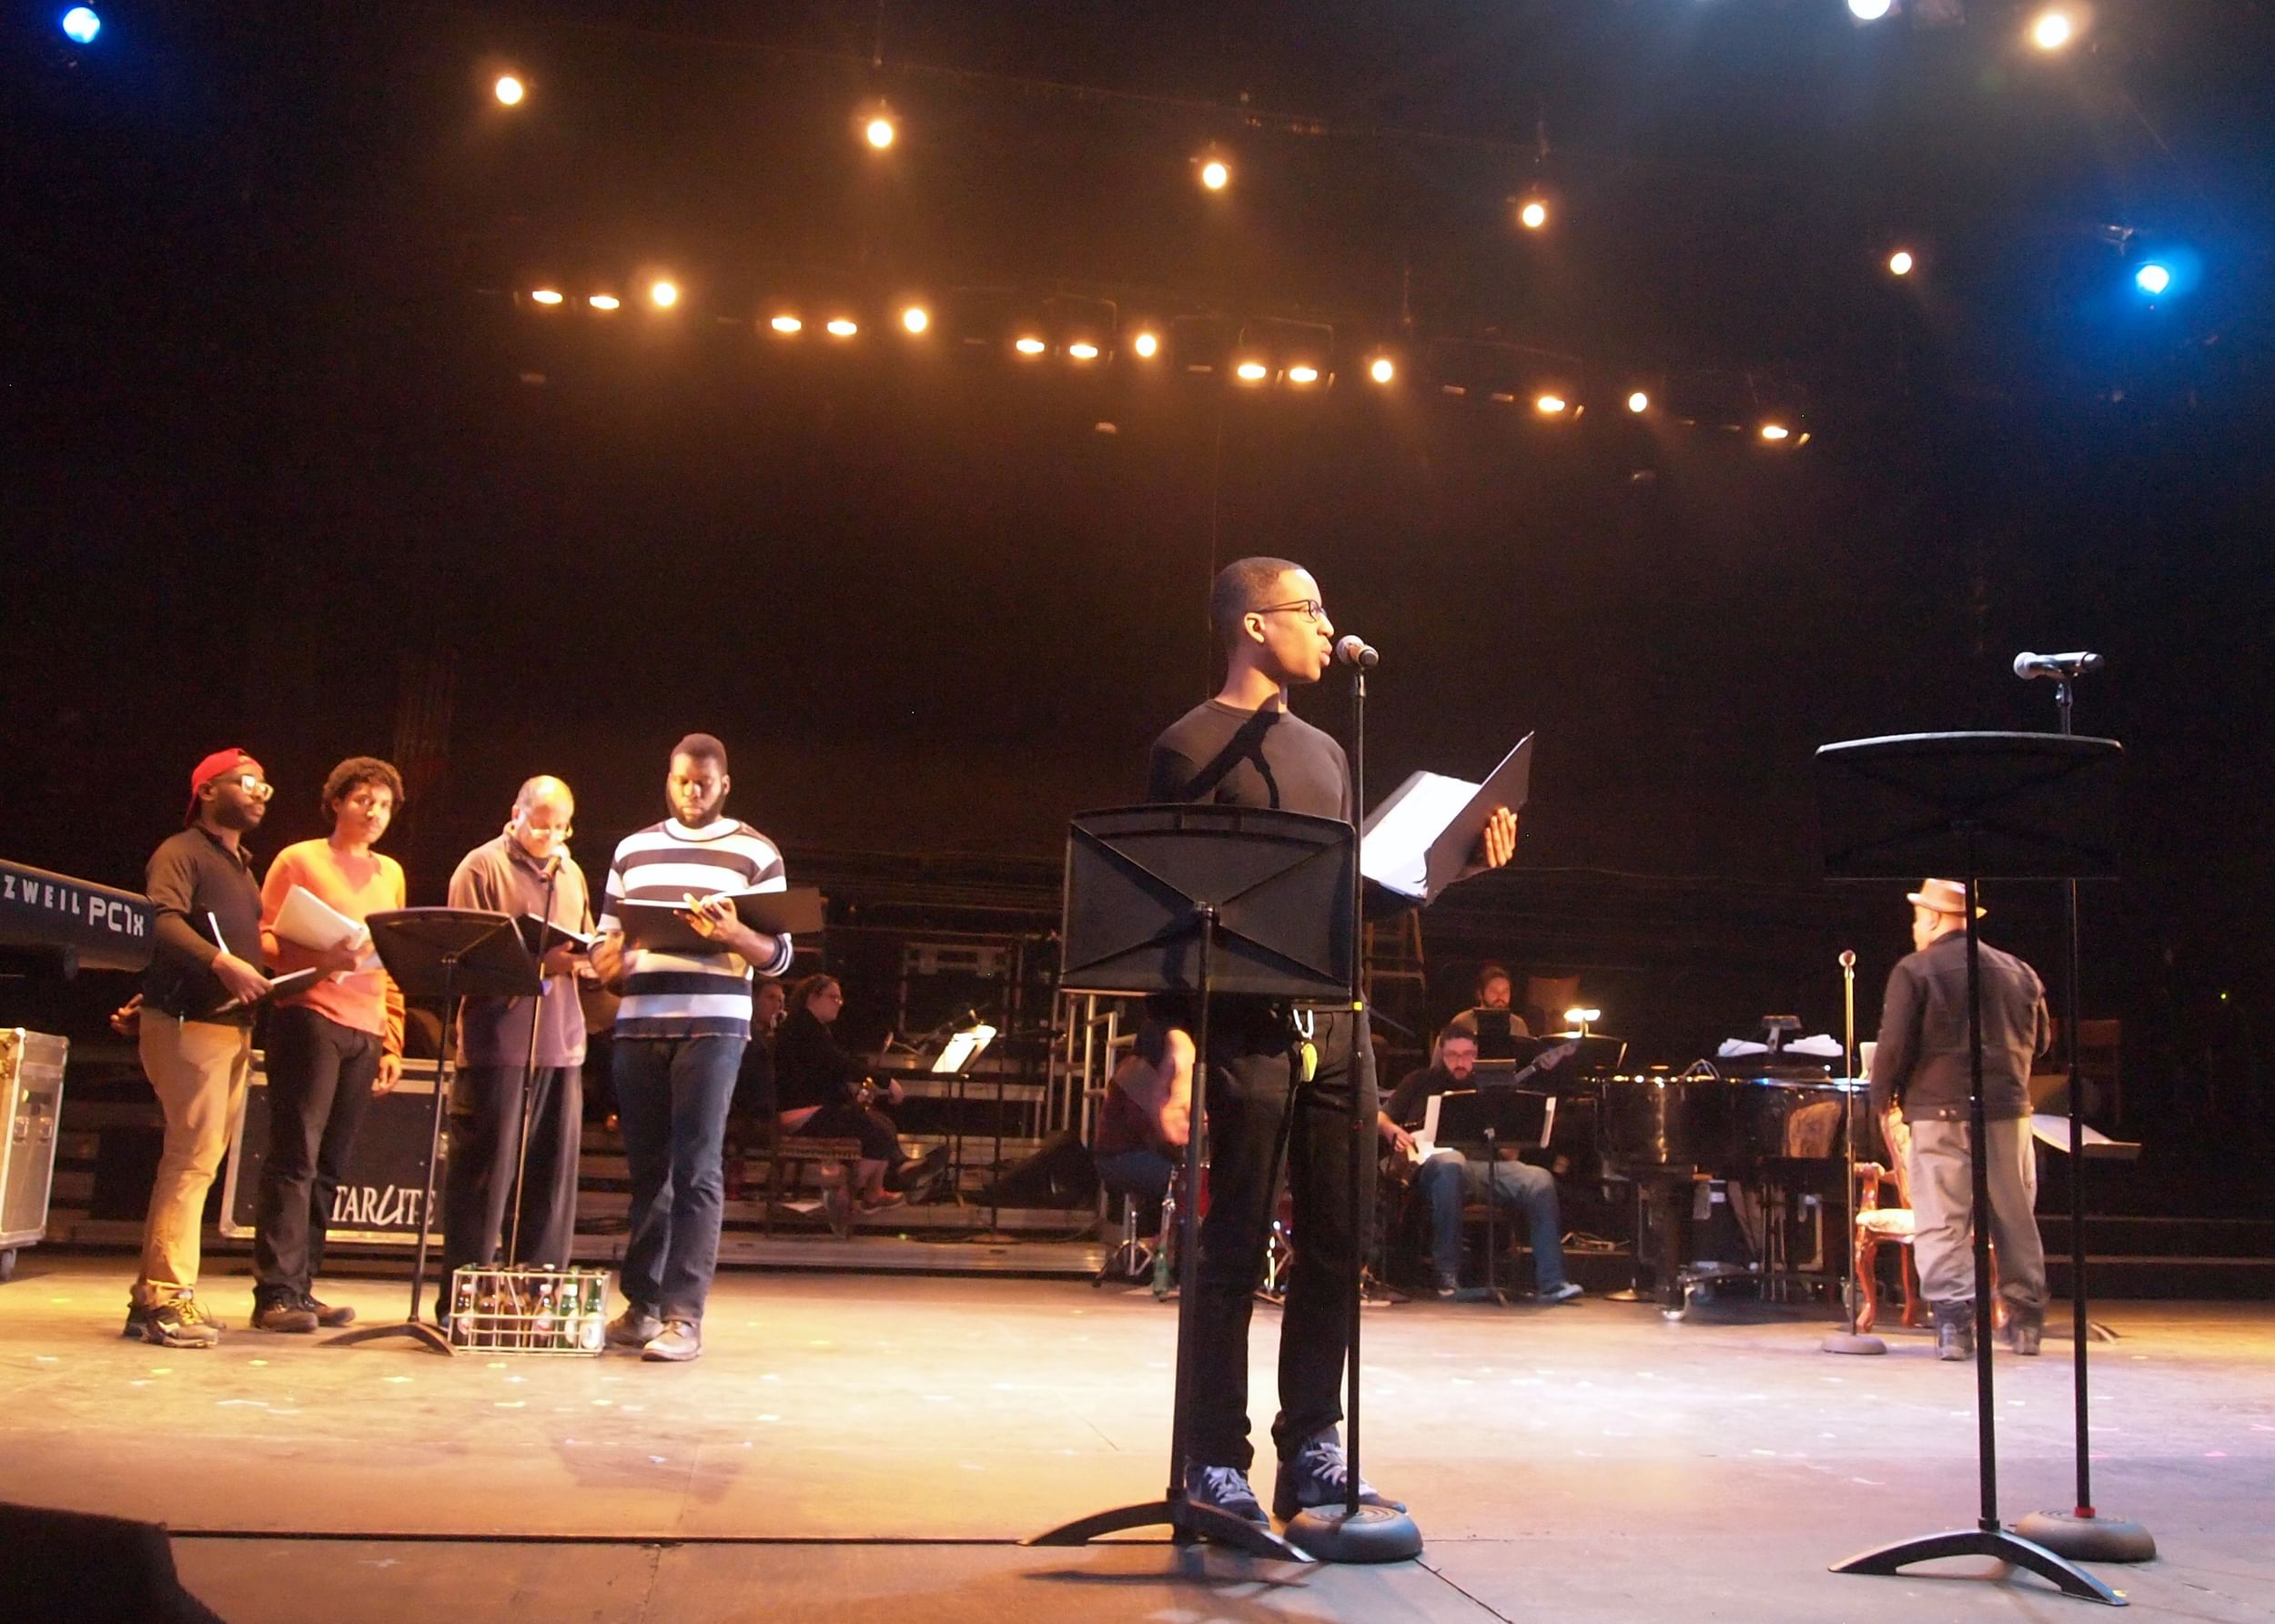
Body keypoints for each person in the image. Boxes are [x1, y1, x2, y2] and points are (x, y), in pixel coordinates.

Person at [1146, 555, 1519, 1529]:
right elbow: (1172, 913)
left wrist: (1457, 871)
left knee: (1336, 1240)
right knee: (1230, 1247)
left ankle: (1311, 1441)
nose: (1326, 626)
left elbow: (1350, 902)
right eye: (1306, 610)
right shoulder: (1188, 748)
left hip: (1337, 1029)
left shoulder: (1325, 750)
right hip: (1247, 1028)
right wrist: (1178, 1052)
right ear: (1252, 628)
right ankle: (1210, 1458)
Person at [586, 733, 794, 1362]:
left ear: (724, 783)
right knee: (650, 1169)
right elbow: (605, 952)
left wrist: (734, 932)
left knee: (698, 1167)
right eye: (681, 781)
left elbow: (780, 954)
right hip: (641, 1021)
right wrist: (613, 958)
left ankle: (684, 1315)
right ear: (668, 778)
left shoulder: (755, 851)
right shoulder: (633, 849)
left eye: (703, 783)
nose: (691, 793)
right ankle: (643, 1305)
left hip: (714, 1024)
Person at [122, 750, 278, 1347]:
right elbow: (160, 920)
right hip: (193, 1025)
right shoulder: (181, 851)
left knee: (200, 1162)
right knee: (189, 1162)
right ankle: (163, 1297)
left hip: (226, 1026)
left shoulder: (239, 865)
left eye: (266, 784)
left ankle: (156, 1298)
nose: (260, 792)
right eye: (247, 781)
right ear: (208, 789)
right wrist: (221, 962)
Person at [250, 756, 409, 1334]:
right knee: (296, 1155)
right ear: (338, 801)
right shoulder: (299, 859)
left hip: (364, 1028)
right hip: (309, 1016)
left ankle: (303, 1285)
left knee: (330, 1165)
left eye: (385, 805)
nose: (374, 813)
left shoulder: (390, 873)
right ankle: (275, 1292)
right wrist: (323, 960)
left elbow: (390, 963)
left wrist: (392, 1039)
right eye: (364, 800)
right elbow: (262, 939)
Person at [1866, 877, 2053, 1359]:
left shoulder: (1915, 970)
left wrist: (1881, 1100)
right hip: (2007, 1111)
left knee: (1942, 1218)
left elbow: (1894, 1047)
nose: (1914, 927)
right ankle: (2026, 1321)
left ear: (1931, 918)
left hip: (1938, 1111)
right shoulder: (2020, 971)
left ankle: (1954, 1328)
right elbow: (2045, 1042)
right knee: (2014, 1216)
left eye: (1916, 917)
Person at [439, 776, 593, 1320]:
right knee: (484, 1178)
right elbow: (464, 957)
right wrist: (535, 964)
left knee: (550, 1183)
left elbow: (584, 945)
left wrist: (589, 960)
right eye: (539, 823)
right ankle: (464, 1302)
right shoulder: (481, 867)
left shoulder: (571, 873)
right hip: (497, 1044)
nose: (549, 836)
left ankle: (537, 1303)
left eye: (560, 827)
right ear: (516, 812)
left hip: (560, 1043)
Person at [1377, 1029, 1582, 1303]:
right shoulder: (1420, 1080)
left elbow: (1510, 1150)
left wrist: (1512, 1137)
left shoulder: (1489, 1087)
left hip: (1484, 1165)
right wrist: (1392, 1131)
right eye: (1452, 1056)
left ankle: (1553, 1282)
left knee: (1539, 1178)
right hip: (1433, 1167)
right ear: (1441, 1054)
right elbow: (1380, 1116)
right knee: (1452, 1163)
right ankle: (1447, 1279)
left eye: (1466, 1055)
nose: (1460, 1062)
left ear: (1476, 1055)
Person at [774, 973, 940, 1212]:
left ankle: (877, 1190)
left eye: (841, 1000)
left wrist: (854, 1098)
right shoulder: (803, 1026)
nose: (839, 1004)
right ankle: (844, 1198)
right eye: (833, 998)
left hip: (812, 1107)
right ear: (813, 996)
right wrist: (886, 1081)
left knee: (882, 1123)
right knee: (877, 1133)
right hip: (802, 1114)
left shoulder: (811, 1028)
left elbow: (824, 1073)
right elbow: (838, 1063)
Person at [1091, 1017, 1193, 1215]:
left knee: (1193, 1174)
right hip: (1118, 1159)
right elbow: (1152, 1130)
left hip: (1133, 1153)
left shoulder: (1143, 1070)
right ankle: (1168, 1236)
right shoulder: (1138, 1073)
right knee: (1189, 1180)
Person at [1448, 963, 1532, 1057]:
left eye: (1505, 991)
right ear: (1480, 994)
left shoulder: (1518, 1024)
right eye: (1494, 991)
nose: (1500, 997)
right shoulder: (1462, 1022)